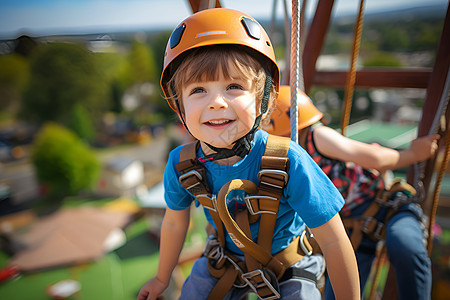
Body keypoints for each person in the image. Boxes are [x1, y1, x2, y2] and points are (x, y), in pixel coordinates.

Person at [138, 8, 360, 300]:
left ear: (264, 100)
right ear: (179, 106)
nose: (217, 102)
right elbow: (174, 221)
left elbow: (333, 241)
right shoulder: (183, 164)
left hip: (288, 265)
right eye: (198, 90)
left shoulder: (287, 161)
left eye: (233, 87)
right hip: (222, 261)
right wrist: (161, 278)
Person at [265, 85, 439, 300]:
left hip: (386, 206)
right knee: (338, 292)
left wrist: (412, 154)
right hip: (352, 230)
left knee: (405, 246)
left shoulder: (317, 136)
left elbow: (373, 158)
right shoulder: (277, 159)